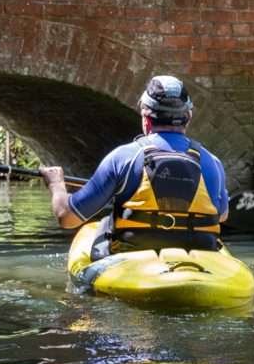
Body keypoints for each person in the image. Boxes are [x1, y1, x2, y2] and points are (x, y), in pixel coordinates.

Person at [40, 75, 229, 259]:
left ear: (145, 117)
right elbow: (221, 215)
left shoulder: (122, 158)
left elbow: (67, 217)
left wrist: (56, 184)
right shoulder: (213, 163)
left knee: (104, 225)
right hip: (200, 255)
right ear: (188, 116)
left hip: (134, 256)